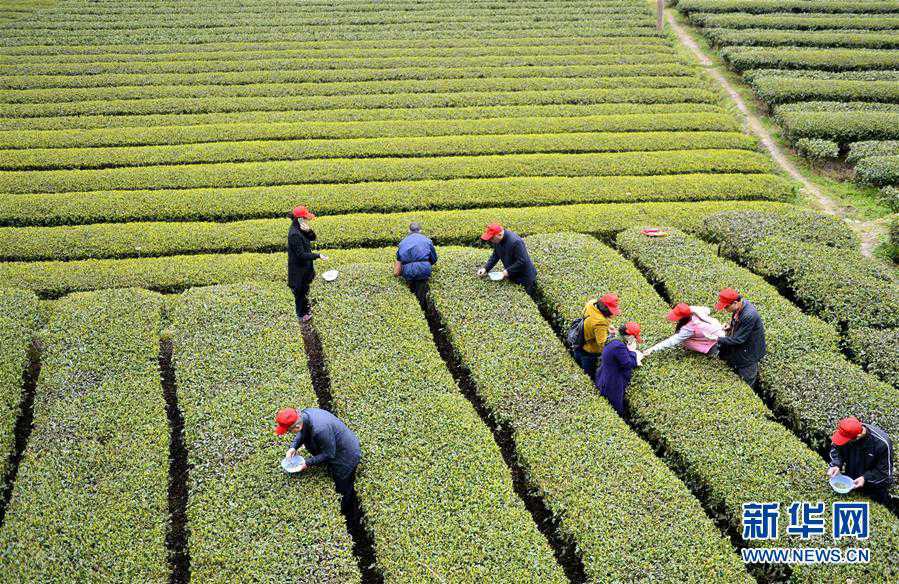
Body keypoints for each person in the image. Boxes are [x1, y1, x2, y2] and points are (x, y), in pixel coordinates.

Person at [276, 407, 362, 518]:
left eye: (288, 430)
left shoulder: (320, 429)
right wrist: (293, 447)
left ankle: (346, 510)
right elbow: (303, 432)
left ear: (297, 426)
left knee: (342, 484)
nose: (288, 433)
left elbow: (329, 454)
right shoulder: (305, 415)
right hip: (333, 446)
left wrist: (306, 463)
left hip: (346, 455)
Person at [827, 417, 893, 505]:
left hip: (874, 488)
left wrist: (865, 478)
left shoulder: (881, 444)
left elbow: (884, 473)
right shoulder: (847, 432)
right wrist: (836, 464)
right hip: (851, 480)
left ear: (858, 436)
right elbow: (836, 447)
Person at [713, 288, 766, 388]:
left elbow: (738, 339)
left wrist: (716, 338)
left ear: (735, 303)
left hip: (749, 354)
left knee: (746, 381)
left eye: (726, 307)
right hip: (742, 348)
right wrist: (730, 326)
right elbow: (737, 322)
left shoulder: (749, 315)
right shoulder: (740, 307)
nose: (725, 309)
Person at [288, 205, 328, 323]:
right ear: (299, 218)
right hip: (298, 269)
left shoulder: (301, 228)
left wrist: (308, 230)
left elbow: (313, 238)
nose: (307, 219)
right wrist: (318, 255)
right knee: (300, 293)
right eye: (305, 217)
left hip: (306, 267)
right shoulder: (294, 234)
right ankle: (301, 315)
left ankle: (306, 310)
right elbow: (301, 254)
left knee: (306, 288)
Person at [595, 322, 643, 416]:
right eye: (634, 337)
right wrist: (637, 356)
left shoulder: (617, 338)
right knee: (616, 408)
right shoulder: (618, 346)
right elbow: (627, 363)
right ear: (629, 336)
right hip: (611, 381)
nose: (634, 339)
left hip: (605, 373)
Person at [476, 223, 537, 295]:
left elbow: (523, 261)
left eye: (491, 238)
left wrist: (507, 271)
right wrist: (485, 268)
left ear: (499, 234)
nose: (490, 240)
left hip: (525, 278)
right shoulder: (497, 240)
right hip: (513, 275)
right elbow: (495, 255)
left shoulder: (515, 242)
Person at [643, 303, 725, 357]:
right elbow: (708, 310)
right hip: (718, 332)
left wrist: (652, 349)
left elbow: (673, 340)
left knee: (685, 340)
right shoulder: (692, 310)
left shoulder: (690, 327)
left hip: (714, 344)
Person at [573, 293, 620, 377]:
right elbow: (602, 343)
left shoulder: (591, 303)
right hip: (589, 351)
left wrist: (607, 327)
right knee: (588, 374)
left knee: (576, 362)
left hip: (579, 341)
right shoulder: (601, 322)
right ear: (606, 309)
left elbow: (591, 320)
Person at [394, 222, 438, 293]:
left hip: (408, 270)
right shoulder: (427, 240)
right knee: (422, 291)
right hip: (423, 269)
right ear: (420, 231)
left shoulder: (402, 242)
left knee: (410, 290)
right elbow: (434, 258)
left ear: (409, 231)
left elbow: (399, 259)